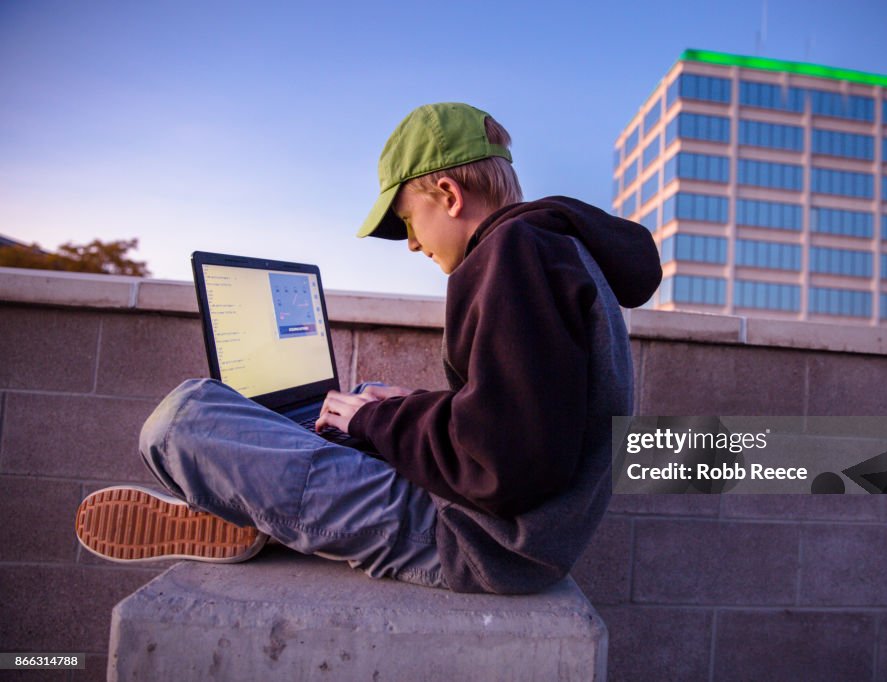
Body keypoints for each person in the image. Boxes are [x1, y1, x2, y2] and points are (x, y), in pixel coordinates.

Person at [74, 102, 661, 594]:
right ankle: (257, 501)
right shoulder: (549, 248)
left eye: (408, 220)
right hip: (501, 525)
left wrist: (388, 420)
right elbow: (524, 418)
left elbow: (505, 464)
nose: (410, 244)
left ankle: (247, 509)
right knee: (349, 406)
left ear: (449, 194)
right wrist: (404, 408)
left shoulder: (513, 256)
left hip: (478, 540)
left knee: (184, 418)